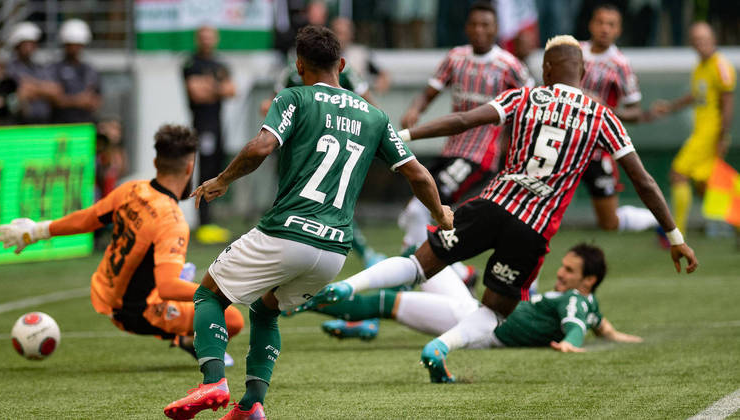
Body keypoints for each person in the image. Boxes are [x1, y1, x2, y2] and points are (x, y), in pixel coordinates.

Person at [299, 35, 698, 385]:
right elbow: (644, 181)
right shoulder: (604, 118)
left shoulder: (525, 96)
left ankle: (347, 287)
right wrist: (675, 237)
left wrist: (401, 134)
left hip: (494, 205)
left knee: (421, 265)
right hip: (534, 229)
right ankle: (440, 347)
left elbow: (462, 121)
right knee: (494, 313)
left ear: (546, 68)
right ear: (583, 71)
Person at [162, 26, 452, 420]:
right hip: (334, 250)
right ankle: (250, 406)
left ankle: (213, 379)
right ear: (343, 64)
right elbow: (418, 174)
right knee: (266, 310)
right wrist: (440, 213)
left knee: (209, 295)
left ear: (299, 66)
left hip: (287, 231)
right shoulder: (376, 117)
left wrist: (222, 180)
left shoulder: (294, 97)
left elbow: (263, 146)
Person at [0, 124, 244, 363]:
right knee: (232, 319)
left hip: (106, 290)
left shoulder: (132, 190)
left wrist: (36, 231)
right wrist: (224, 291)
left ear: (156, 162)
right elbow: (168, 288)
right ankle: (187, 340)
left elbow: (88, 219)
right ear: (190, 167)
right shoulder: (172, 220)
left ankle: (186, 322)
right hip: (136, 311)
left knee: (179, 277)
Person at [295, 244, 642, 377]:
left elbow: (575, 328)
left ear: (589, 280)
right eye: (563, 266)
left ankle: (299, 300)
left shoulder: (576, 301)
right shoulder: (587, 303)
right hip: (473, 306)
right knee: (424, 262)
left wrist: (571, 342)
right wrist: (622, 337)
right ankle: (363, 320)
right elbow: (600, 325)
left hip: (477, 324)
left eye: (570, 271)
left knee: (392, 301)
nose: (561, 273)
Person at [399, 1, 532, 250]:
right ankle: (457, 272)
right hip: (451, 150)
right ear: (466, 28)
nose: (479, 30)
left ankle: (423, 266)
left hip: (481, 155)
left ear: (496, 29)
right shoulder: (455, 58)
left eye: (485, 25)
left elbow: (530, 108)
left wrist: (514, 146)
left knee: (422, 209)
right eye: (474, 24)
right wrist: (414, 110)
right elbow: (428, 93)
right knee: (420, 211)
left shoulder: (510, 66)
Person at [579, 4, 661, 234]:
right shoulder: (573, 51)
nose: (605, 28)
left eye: (611, 24)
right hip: (565, 143)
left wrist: (605, 108)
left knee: (608, 223)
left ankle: (652, 217)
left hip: (597, 149)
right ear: (591, 24)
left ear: (618, 30)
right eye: (600, 22)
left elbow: (635, 111)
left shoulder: (620, 64)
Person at [649, 22, 736, 234]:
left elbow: (727, 104)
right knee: (705, 186)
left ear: (714, 39)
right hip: (702, 132)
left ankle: (678, 233)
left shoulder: (720, 66)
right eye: (696, 40)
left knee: (678, 174)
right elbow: (696, 96)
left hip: (709, 135)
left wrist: (722, 137)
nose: (701, 44)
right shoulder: (700, 67)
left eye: (704, 39)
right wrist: (670, 107)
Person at [182, 26, 236, 244]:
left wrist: (210, 86)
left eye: (210, 37)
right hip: (202, 124)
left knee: (216, 169)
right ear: (197, 39)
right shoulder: (191, 63)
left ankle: (211, 220)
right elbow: (196, 93)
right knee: (204, 169)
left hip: (218, 124)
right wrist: (217, 86)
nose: (206, 41)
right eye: (203, 37)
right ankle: (203, 222)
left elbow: (232, 90)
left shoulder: (220, 63)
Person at [4, 22, 60, 124]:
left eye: (32, 43)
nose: (29, 47)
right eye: (25, 44)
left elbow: (55, 91)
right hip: (21, 123)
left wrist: (33, 88)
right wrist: (43, 90)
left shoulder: (40, 67)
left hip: (44, 122)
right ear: (17, 45)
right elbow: (20, 93)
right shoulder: (10, 68)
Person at [50, 19, 102, 124]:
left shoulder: (89, 70)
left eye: (78, 44)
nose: (75, 48)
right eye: (71, 44)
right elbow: (54, 100)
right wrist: (78, 101)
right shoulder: (54, 69)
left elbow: (96, 98)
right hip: (60, 125)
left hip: (85, 124)